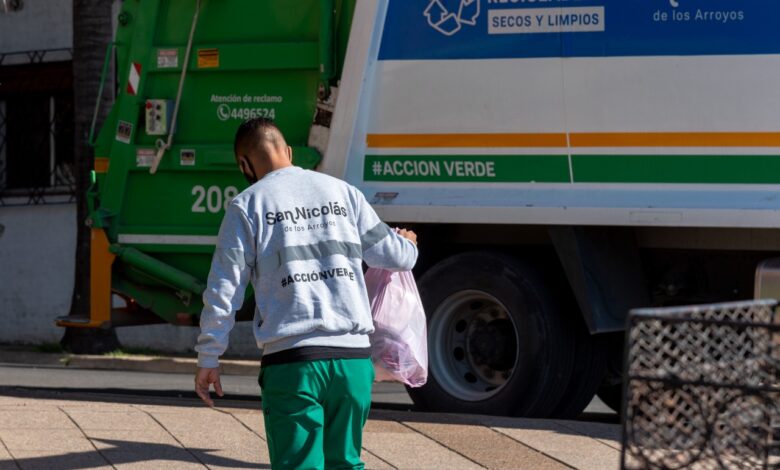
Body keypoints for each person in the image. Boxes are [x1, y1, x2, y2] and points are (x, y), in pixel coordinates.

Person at [194, 118, 418, 469]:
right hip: (354, 363)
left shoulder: (247, 206)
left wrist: (210, 355)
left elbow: (224, 289)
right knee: (346, 463)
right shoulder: (343, 193)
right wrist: (408, 244)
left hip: (294, 364)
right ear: (289, 151)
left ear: (244, 164)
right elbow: (396, 256)